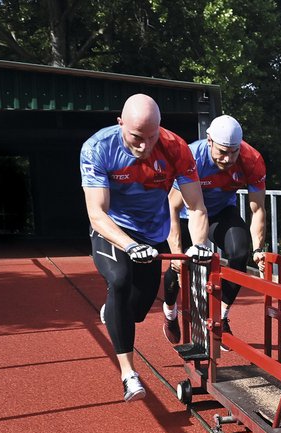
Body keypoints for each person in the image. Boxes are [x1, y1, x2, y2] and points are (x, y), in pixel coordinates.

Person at [81, 93, 212, 402]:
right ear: (120, 123)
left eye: (150, 137)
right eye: (136, 137)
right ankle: (129, 374)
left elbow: (196, 207)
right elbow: (97, 212)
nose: (143, 146)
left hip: (151, 233)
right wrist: (128, 245)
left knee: (137, 311)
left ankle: (115, 310)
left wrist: (201, 243)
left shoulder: (176, 148)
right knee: (120, 280)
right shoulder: (98, 147)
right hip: (114, 229)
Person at [163, 115, 268, 345]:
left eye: (234, 152)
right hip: (184, 213)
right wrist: (176, 253)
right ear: (209, 141)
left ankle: (221, 318)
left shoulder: (252, 160)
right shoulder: (191, 157)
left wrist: (259, 249)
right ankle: (170, 313)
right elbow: (172, 205)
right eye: (222, 151)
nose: (228, 159)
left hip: (219, 212)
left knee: (240, 253)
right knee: (178, 264)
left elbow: (258, 209)